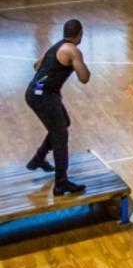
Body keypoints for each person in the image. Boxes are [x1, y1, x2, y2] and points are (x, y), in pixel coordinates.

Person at [25, 19, 90, 194]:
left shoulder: (55, 46)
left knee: (63, 124)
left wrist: (49, 83)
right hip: (44, 95)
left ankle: (39, 159)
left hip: (35, 91)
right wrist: (79, 61)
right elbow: (84, 78)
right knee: (60, 134)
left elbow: (36, 66)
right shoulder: (72, 50)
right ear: (80, 34)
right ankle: (61, 183)